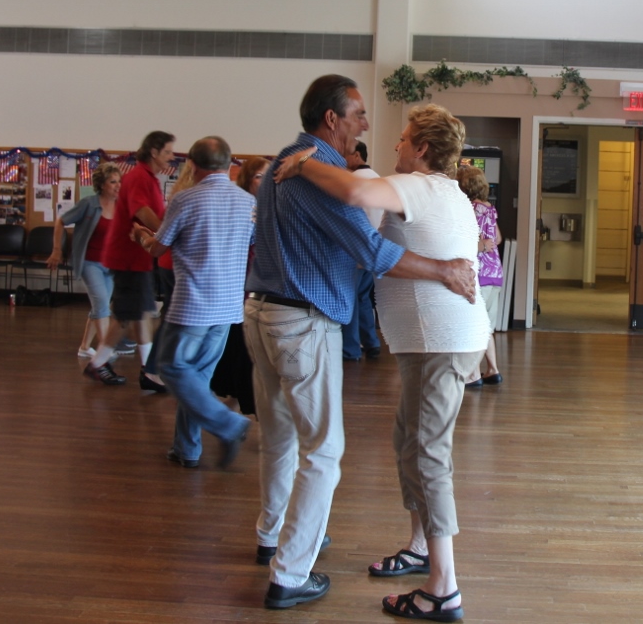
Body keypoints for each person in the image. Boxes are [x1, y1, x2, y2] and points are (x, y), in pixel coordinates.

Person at [243, 75, 476, 611]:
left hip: (263, 312)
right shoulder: (317, 171)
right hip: (303, 321)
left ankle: (274, 537)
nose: (372, 128)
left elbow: (359, 202)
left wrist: (307, 163)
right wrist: (443, 270)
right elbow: (369, 246)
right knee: (326, 451)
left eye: (399, 133)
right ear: (333, 120)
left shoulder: (284, 160)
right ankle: (289, 573)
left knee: (287, 439)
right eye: (361, 115)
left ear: (420, 147)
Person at [134, 137, 255, 469]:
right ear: (230, 164)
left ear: (192, 165)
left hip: (193, 305)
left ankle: (229, 425)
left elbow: (159, 249)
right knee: (198, 379)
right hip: (229, 307)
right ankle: (187, 449)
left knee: (172, 368)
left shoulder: (185, 199)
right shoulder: (247, 202)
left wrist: (141, 235)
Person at [90, 131, 174, 387]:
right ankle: (98, 363)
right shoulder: (139, 177)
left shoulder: (149, 178)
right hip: (128, 255)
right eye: (168, 152)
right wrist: (167, 231)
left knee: (141, 312)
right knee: (126, 314)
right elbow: (141, 210)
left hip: (139, 255)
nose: (171, 156)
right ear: (154, 152)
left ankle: (149, 369)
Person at [208, 157, 269, 415]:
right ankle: (245, 406)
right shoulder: (244, 205)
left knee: (244, 349)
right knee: (240, 349)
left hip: (257, 284)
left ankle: (236, 402)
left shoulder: (266, 205)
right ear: (247, 179)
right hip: (238, 283)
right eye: (258, 176)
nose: (264, 181)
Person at [47, 162, 122, 358]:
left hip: (111, 265)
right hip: (90, 262)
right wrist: (56, 250)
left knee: (101, 305)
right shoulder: (89, 204)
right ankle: (105, 351)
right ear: (102, 184)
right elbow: (60, 221)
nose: (118, 185)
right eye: (113, 182)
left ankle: (84, 347)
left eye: (119, 181)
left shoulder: (121, 206)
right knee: (102, 305)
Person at [456, 165, 503, 387]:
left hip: (479, 272)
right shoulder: (490, 209)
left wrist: (479, 246)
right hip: (495, 273)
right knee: (486, 325)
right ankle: (492, 369)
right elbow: (498, 239)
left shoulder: (468, 209)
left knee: (473, 324)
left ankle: (473, 373)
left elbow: (466, 242)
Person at [341, 141, 381, 362]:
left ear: (356, 156)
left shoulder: (352, 181)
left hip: (355, 251)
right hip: (376, 250)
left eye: (346, 154)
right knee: (363, 298)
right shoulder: (380, 179)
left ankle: (351, 348)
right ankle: (372, 343)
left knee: (351, 299)